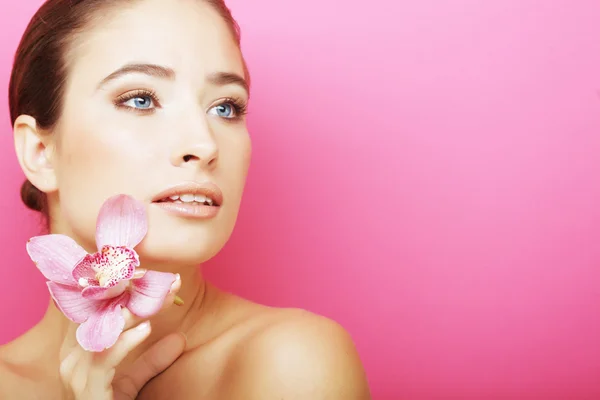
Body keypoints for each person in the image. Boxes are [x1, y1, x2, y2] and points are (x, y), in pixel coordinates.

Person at [0, 0, 371, 398]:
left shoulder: (292, 364)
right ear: (40, 152)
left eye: (226, 107)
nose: (204, 143)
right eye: (140, 99)